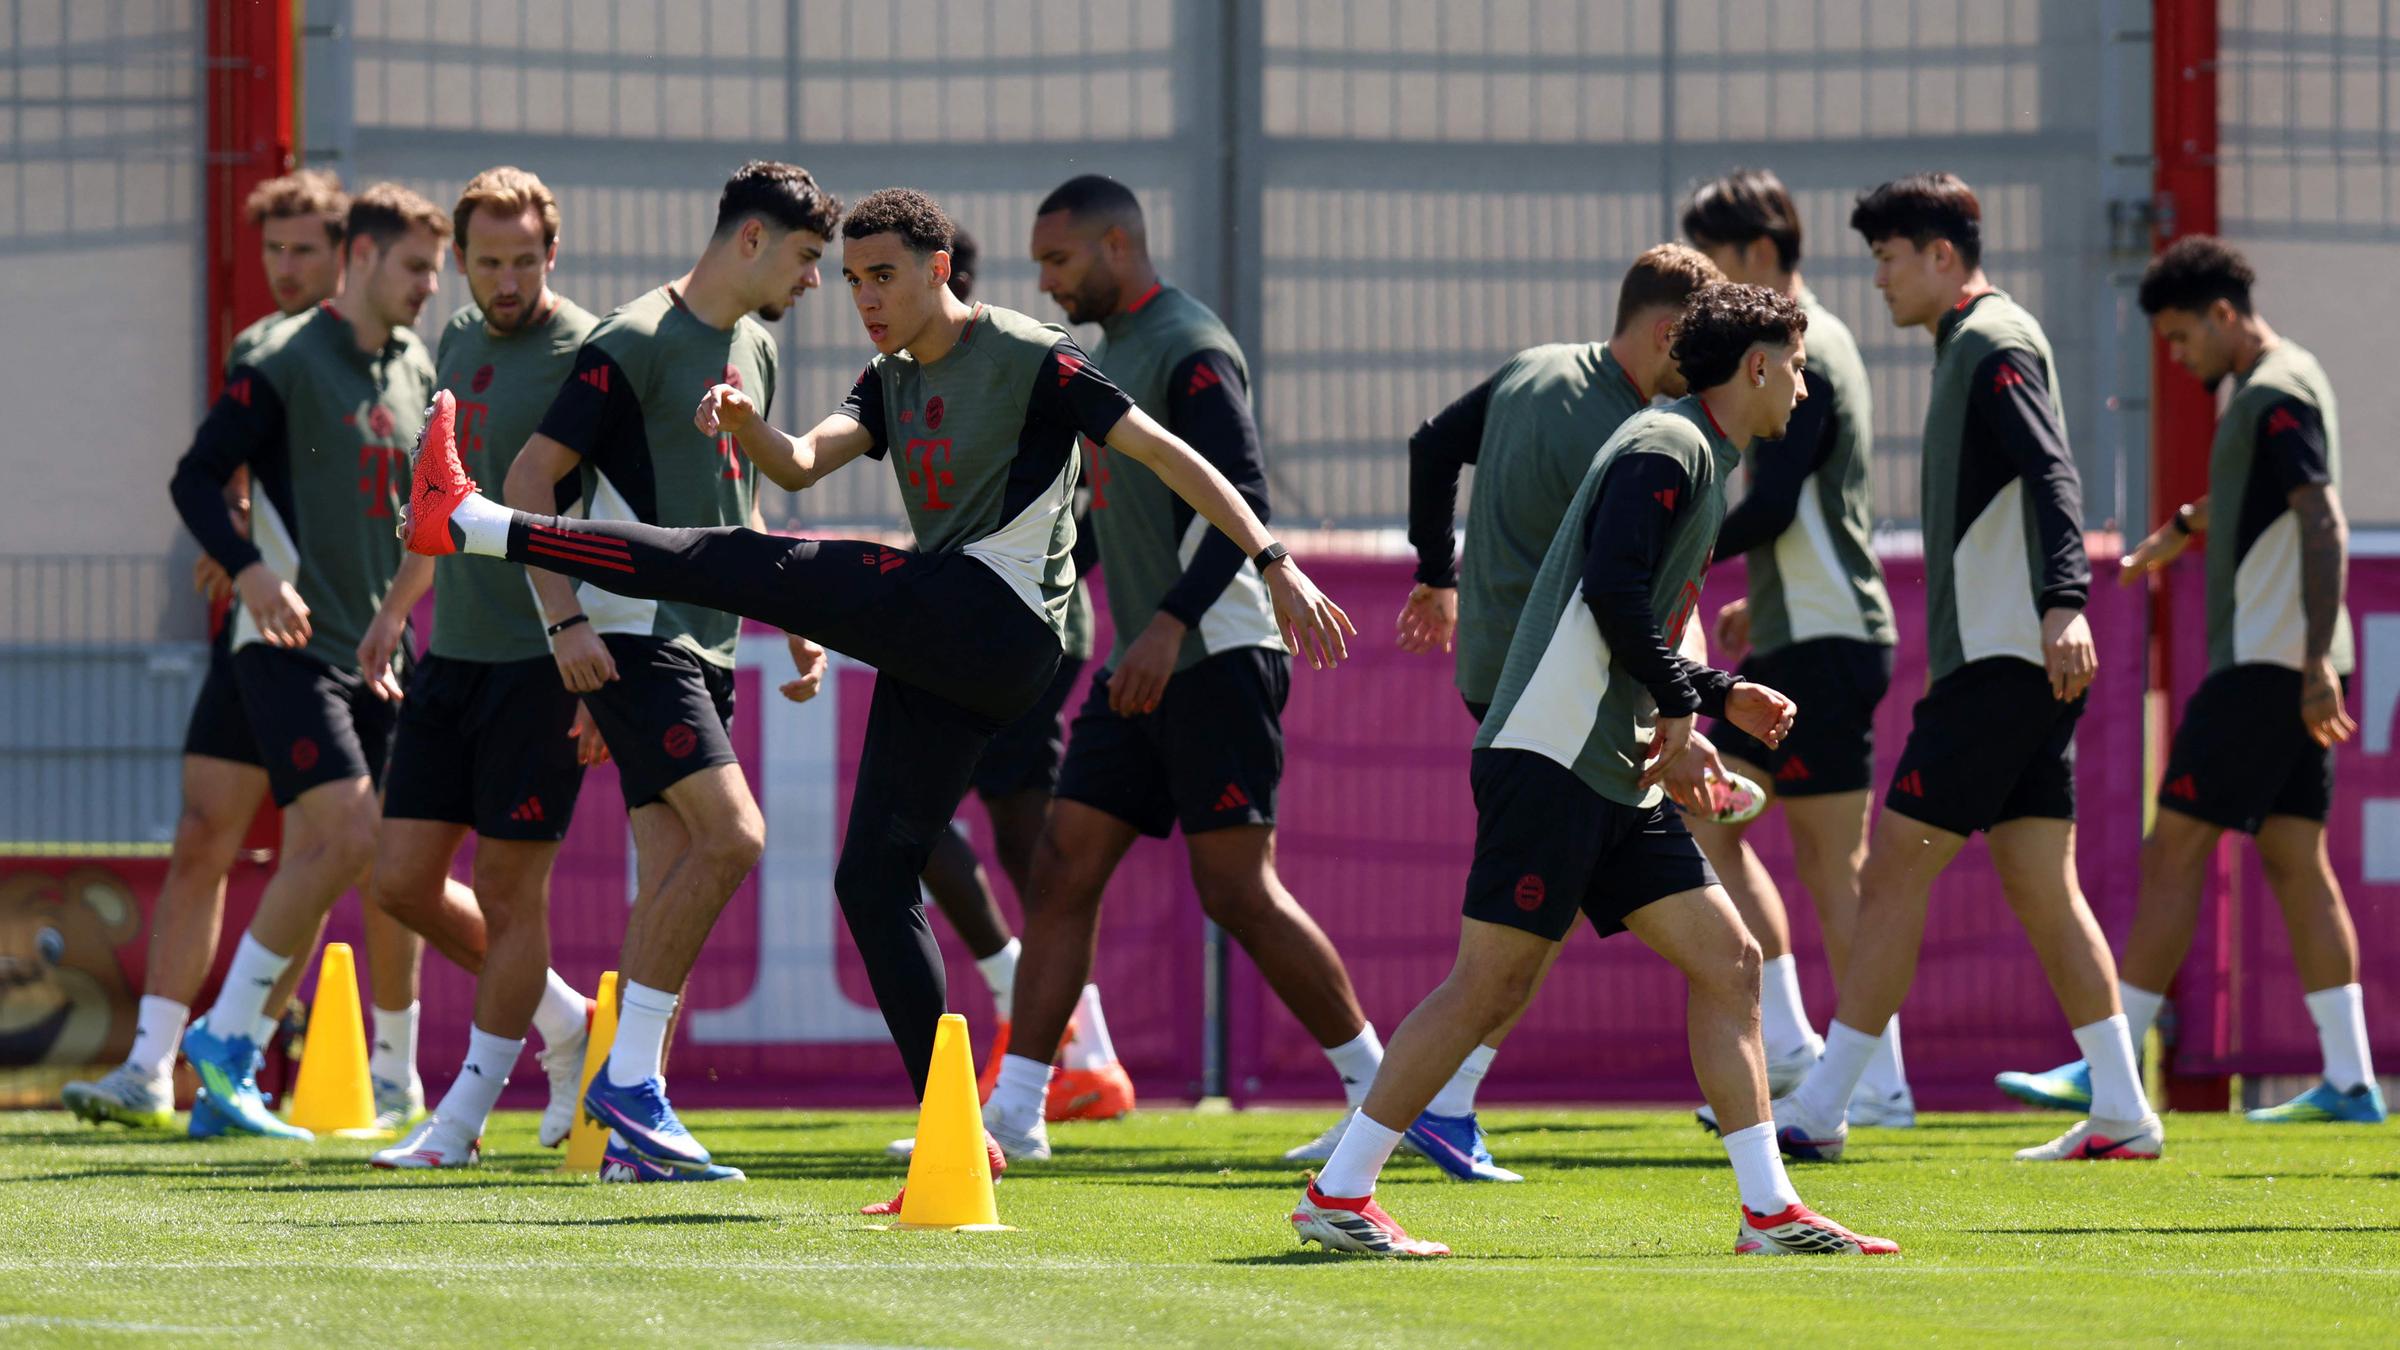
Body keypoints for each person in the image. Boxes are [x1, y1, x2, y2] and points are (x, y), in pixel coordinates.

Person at [401, 187, 1353, 1206]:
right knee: (875, 878)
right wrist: (748, 425)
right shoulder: (886, 377)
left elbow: (1170, 454)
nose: (862, 297)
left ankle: (478, 524)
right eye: (850, 280)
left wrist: (1274, 558)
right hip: (946, 645)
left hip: (1000, 621)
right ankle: (957, 1134)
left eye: (882, 276)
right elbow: (804, 466)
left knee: (739, 563)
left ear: (940, 270)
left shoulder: (1035, 355)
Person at [1289, 284, 1895, 1259]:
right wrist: (1712, 693)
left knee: (1731, 962)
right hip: (1555, 755)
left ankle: (1769, 1211)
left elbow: (1632, 613)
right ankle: (1342, 1191)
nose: (1804, 383)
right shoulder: (1669, 445)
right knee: (1488, 985)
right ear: (1756, 367)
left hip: (1609, 766)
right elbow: (1612, 597)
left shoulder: (1692, 448)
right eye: (1797, 362)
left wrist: (1678, 717)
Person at [961, 174, 1380, 1165]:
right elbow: (1108, 527)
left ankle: (1389, 1095)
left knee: (1237, 888)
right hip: (1142, 665)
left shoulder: (1189, 346)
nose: (1047, 283)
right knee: (1063, 869)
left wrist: (1167, 627)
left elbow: (1244, 494)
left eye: (1058, 261)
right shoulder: (1106, 359)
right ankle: (1016, 1115)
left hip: (1220, 650)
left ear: (1117, 247)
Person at [1761, 173, 2161, 1164]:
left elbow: (2055, 471)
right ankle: (2123, 1108)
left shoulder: (1992, 341)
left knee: (1893, 865)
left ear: (1944, 256)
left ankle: (1823, 1105)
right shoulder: (1971, 343)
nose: (1879, 281)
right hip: (2014, 660)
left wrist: (2066, 603)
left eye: (1890, 260)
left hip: (2004, 662)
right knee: (2039, 884)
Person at [486, 160, 839, 1183]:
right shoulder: (634, 339)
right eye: (810, 259)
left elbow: (739, 506)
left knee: (668, 886)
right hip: (634, 636)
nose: (816, 281)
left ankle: (630, 1137)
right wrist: (563, 624)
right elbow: (526, 480)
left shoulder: (758, 350)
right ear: (750, 242)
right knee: (735, 839)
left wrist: (791, 610)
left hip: (710, 640)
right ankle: (629, 1086)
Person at [1998, 235, 2381, 1125]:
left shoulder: (2275, 390)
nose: (2177, 358)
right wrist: (2183, 525)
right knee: (2296, 863)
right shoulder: (2277, 382)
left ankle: (2111, 1066)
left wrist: (2314, 655)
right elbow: (2265, 492)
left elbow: (2320, 518)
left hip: (2274, 664)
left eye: (2180, 339)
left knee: (2171, 850)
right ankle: (2353, 1079)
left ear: (2221, 314)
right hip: (2296, 660)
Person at [1394, 242, 1723, 1178]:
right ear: (1668, 334)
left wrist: (1434, 570)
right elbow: (1635, 595)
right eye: (1695, 349)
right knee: (1514, 935)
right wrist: (1689, 712)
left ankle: (1423, 1111)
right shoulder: (1639, 437)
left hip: (1494, 674)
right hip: (1557, 694)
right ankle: (1403, 1118)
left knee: (1543, 908)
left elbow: (1429, 445)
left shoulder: (1534, 366)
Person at [64, 170, 353, 1130]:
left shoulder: (378, 353)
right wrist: (236, 544)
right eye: (273, 250)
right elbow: (232, 465)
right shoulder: (260, 348)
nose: (285, 267)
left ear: (346, 254)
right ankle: (151, 1068)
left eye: (304, 248)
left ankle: (257, 1070)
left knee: (325, 853)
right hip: (254, 635)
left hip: (340, 646)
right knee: (203, 838)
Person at [166, 183, 449, 1140]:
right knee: (339, 842)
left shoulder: (417, 369)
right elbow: (196, 476)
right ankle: (217, 1042)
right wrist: (246, 569)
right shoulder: (282, 357)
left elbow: (428, 523)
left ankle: (374, 1076)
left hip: (381, 656)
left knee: (379, 859)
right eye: (416, 267)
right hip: (287, 649)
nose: (429, 287)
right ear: (361, 257)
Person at [360, 167, 606, 1169]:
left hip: (541, 664)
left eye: (525, 260)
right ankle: (568, 1025)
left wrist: (599, 657)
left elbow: (618, 513)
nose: (507, 280)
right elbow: (439, 497)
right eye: (488, 262)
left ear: (554, 253)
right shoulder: (454, 342)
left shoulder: (591, 351)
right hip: (450, 656)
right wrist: (392, 615)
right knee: (401, 883)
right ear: (460, 263)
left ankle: (459, 1121)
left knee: (511, 896)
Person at [1678, 168, 1910, 1124]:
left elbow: (1773, 504)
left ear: (1762, 255)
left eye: (1716, 263)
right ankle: (1804, 1051)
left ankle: (1868, 1079)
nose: (1706, 288)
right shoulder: (1795, 347)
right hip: (1802, 631)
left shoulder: (1804, 352)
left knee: (1828, 863)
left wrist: (1673, 549)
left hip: (1829, 638)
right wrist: (1756, 608)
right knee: (1708, 812)